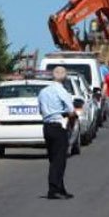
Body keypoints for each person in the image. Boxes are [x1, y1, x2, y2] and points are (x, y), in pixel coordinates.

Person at [38, 66, 76, 200]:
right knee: (59, 160)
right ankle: (53, 189)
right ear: (64, 77)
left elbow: (41, 110)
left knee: (53, 158)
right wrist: (71, 122)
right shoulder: (62, 91)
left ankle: (61, 188)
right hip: (59, 126)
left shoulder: (43, 92)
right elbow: (71, 111)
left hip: (47, 126)